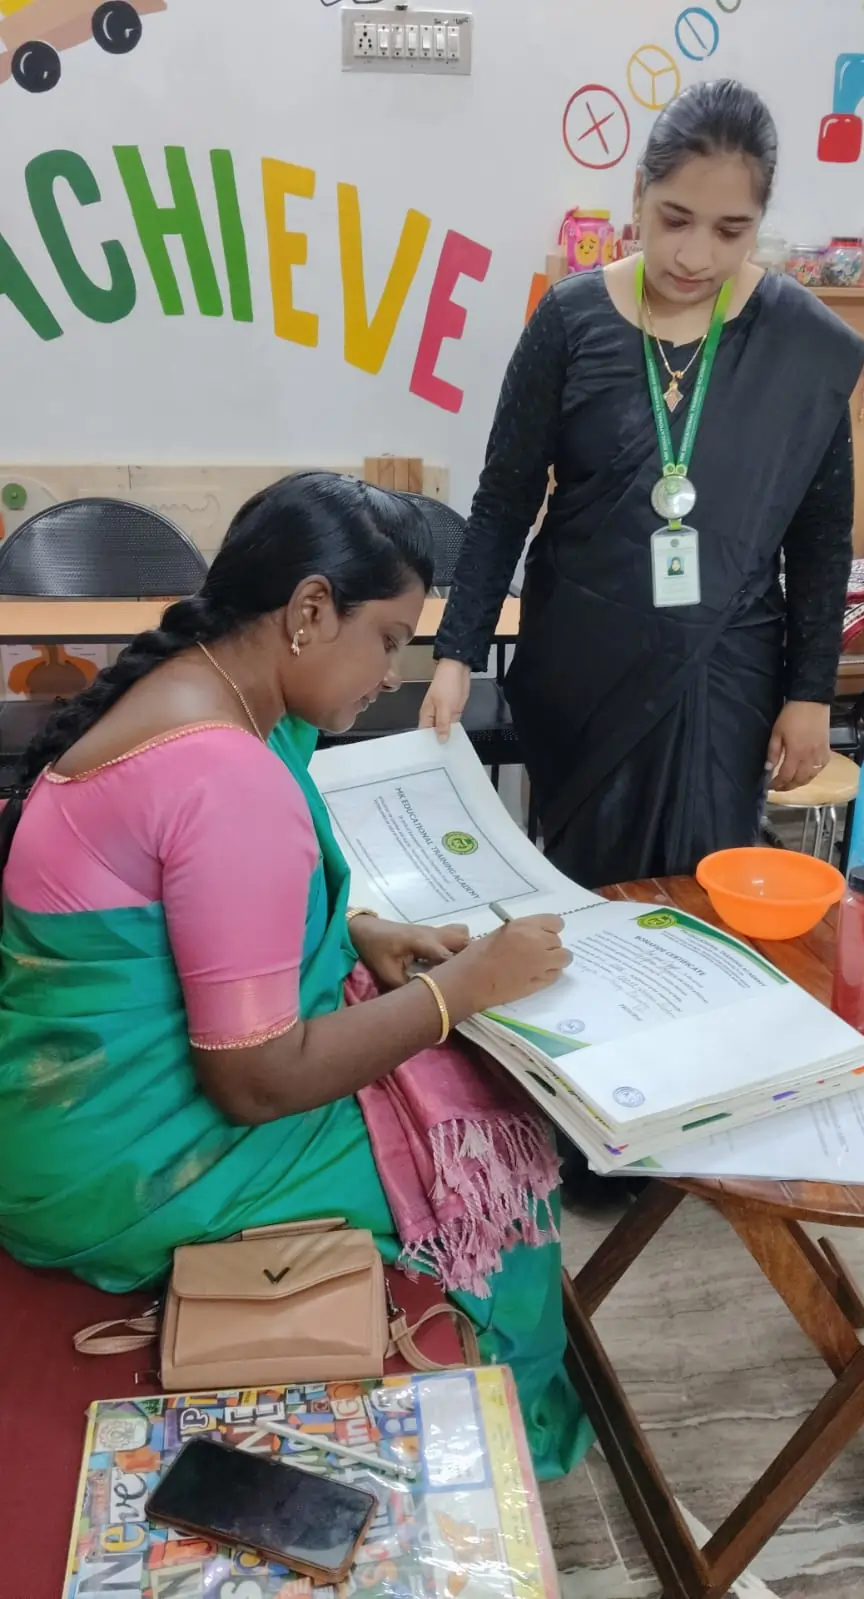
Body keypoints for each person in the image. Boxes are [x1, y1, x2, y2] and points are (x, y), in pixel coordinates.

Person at [0, 472, 591, 1480]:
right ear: (310, 610)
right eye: (388, 640)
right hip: (123, 1161)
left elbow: (181, 909)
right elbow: (256, 1079)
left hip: (58, 1103)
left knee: (456, 1090)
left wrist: (356, 931)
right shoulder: (225, 771)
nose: (390, 674)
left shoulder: (200, 690)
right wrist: (460, 990)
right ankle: (507, 1463)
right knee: (492, 1170)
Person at [421, 80, 864, 889]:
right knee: (586, 891)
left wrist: (809, 692)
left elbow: (818, 539)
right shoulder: (569, 320)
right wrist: (457, 652)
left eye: (729, 230)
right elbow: (504, 499)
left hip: (724, 667)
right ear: (637, 194)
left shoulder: (799, 347)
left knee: (706, 886)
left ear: (758, 223)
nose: (694, 255)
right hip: (581, 663)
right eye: (674, 219)